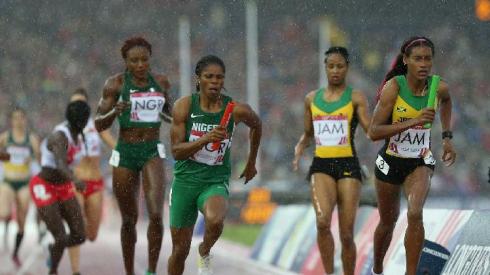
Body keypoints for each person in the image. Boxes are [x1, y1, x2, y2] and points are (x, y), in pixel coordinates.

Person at [368, 36, 456, 275]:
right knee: (388, 222)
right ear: (406, 60)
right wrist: (414, 122)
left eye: (428, 59)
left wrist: (447, 137)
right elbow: (373, 132)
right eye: (418, 59)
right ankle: (376, 268)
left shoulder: (439, 87)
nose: (424, 64)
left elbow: (447, 102)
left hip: (419, 161)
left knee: (415, 212)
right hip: (390, 161)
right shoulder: (394, 88)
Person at [167, 55, 262, 275]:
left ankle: (204, 249)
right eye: (209, 76)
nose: (215, 82)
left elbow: (256, 124)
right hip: (185, 182)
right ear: (198, 79)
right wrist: (205, 139)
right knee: (180, 250)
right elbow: (176, 151)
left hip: (214, 180)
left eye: (219, 77)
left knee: (216, 219)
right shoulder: (184, 106)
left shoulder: (235, 109)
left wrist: (251, 161)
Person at [94, 36, 171, 275]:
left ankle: (150, 270)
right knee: (129, 220)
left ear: (150, 60)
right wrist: (114, 112)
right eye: (134, 61)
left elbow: (169, 115)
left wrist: (184, 119)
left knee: (156, 215)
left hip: (151, 150)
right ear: (125, 62)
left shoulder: (161, 82)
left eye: (144, 60)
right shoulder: (115, 85)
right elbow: (98, 124)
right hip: (125, 152)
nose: (140, 65)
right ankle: (129, 271)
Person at [292, 47, 371, 275]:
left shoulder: (355, 97)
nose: (335, 71)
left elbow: (370, 129)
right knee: (323, 222)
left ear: (347, 68)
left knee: (347, 234)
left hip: (348, 165)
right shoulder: (311, 99)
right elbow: (308, 134)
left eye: (340, 66)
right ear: (325, 68)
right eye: (331, 66)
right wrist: (299, 148)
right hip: (321, 166)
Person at [29, 101, 89, 275]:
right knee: (61, 236)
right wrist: (75, 180)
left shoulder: (81, 136)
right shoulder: (59, 136)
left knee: (80, 235)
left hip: (63, 187)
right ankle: (53, 269)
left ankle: (54, 247)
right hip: (45, 186)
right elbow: (61, 165)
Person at [67, 88, 116, 275]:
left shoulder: (97, 125)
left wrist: (123, 159)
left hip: (95, 184)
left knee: (92, 235)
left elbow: (115, 146)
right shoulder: (64, 129)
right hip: (75, 182)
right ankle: (75, 271)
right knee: (76, 223)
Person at [0, 107, 41, 267]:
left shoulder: (31, 140)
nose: (18, 121)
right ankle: (5, 230)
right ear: (11, 121)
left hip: (24, 182)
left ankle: (16, 252)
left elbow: (39, 159)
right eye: (15, 118)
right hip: (8, 181)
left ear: (25, 120)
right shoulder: (5, 137)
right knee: (4, 211)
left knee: (22, 221)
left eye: (21, 118)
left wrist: (32, 158)